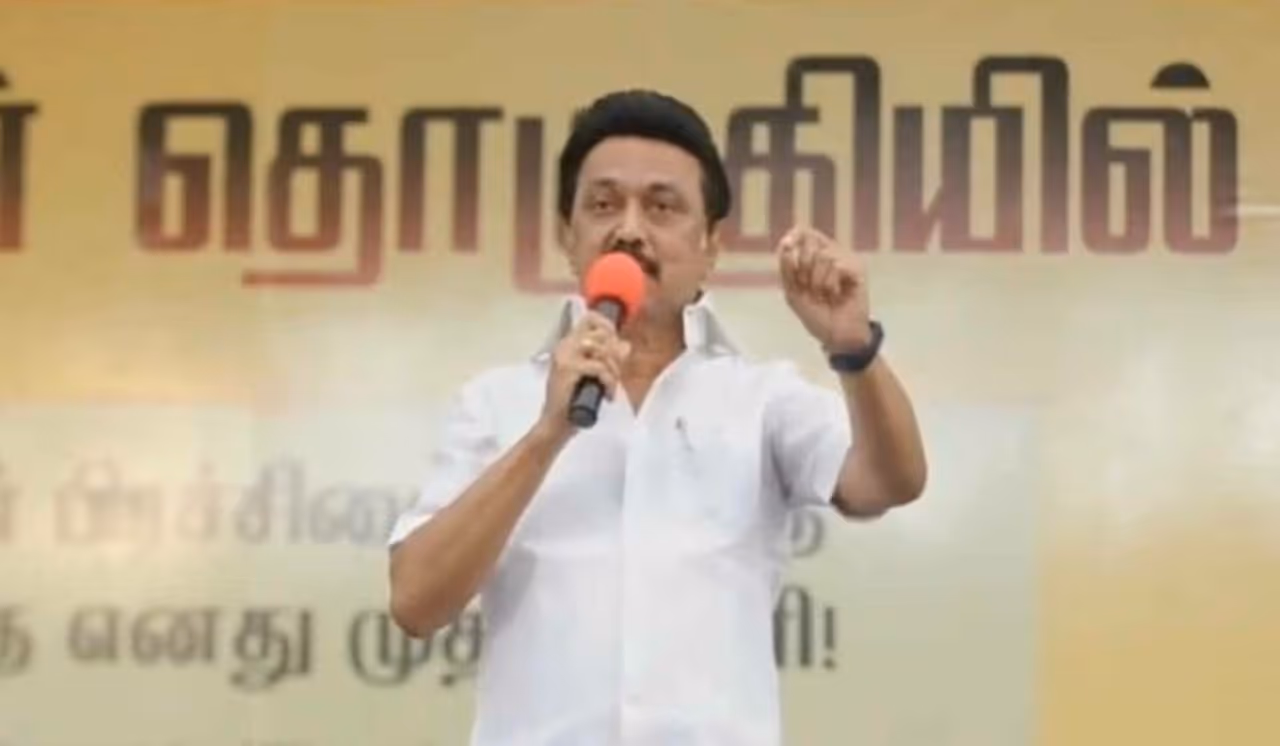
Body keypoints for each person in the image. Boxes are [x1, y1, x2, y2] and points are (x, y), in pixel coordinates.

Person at [387, 89, 927, 746]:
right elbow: (416, 601)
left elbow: (891, 480)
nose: (630, 230)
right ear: (567, 236)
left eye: (662, 207)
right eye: (603, 205)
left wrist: (853, 349)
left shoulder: (760, 399)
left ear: (710, 246)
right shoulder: (496, 403)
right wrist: (548, 433)